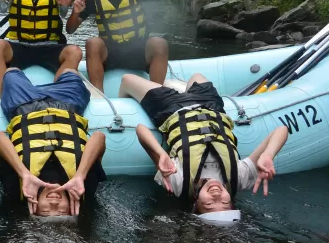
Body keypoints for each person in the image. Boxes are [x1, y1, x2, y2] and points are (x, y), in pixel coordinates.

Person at [118, 72, 289, 218]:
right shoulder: (240, 178)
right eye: (224, 201)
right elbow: (282, 129)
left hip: (170, 108)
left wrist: (160, 154)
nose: (216, 195)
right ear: (231, 200)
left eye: (209, 204)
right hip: (211, 106)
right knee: (197, 76)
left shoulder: (178, 183)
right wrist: (268, 155)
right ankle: (171, 86)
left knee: (126, 79)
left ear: (196, 203)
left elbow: (140, 129)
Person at [0, 68, 106, 217]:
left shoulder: (19, 188)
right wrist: (80, 176)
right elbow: (99, 137)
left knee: (11, 72)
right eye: (62, 211)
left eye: (45, 211)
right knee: (70, 71)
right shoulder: (83, 187)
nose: (54, 204)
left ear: (34, 209)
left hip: (23, 106)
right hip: (68, 104)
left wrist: (24, 174)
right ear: (71, 208)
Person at [66, 0, 181, 90]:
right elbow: (70, 29)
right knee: (92, 43)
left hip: (138, 49)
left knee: (159, 42)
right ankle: (98, 95)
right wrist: (75, 13)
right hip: (110, 54)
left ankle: (156, 93)